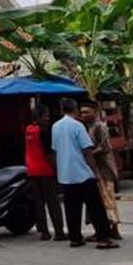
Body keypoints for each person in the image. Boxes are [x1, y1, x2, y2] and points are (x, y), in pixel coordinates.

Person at [51, 97, 119, 248]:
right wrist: (94, 171)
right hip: (82, 173)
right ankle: (103, 238)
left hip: (66, 174)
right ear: (75, 110)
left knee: (72, 208)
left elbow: (55, 151)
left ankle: (75, 238)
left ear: (62, 110)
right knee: (96, 207)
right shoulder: (78, 126)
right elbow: (87, 150)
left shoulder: (55, 127)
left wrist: (59, 170)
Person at [23, 104, 65, 241]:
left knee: (38, 203)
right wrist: (57, 169)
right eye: (46, 115)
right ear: (39, 117)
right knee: (53, 202)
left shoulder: (28, 130)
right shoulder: (44, 131)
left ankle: (44, 232)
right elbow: (49, 154)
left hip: (32, 171)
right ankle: (59, 232)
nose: (48, 118)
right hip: (46, 170)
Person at [80, 102, 121, 234]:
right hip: (94, 168)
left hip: (104, 168)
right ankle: (103, 228)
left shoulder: (100, 126)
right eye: (82, 112)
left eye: (86, 112)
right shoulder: (86, 127)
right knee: (99, 200)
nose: (83, 115)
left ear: (95, 112)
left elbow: (104, 147)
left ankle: (113, 227)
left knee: (107, 198)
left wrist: (88, 154)